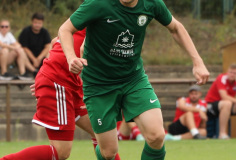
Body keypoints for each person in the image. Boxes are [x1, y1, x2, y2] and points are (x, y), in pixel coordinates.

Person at [58, 0, 210, 159]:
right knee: (109, 153)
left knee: (157, 136)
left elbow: (176, 28)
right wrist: (71, 58)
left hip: (133, 79)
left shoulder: (151, 4)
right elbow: (65, 29)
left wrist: (197, 62)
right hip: (99, 84)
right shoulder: (98, 3)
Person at [0, 29, 121, 160]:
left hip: (70, 83)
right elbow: (89, 54)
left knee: (102, 133)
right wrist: (51, 75)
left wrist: (48, 71)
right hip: (60, 83)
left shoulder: (87, 17)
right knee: (61, 151)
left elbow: (55, 41)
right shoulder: (104, 15)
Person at [205, 64, 236, 139]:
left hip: (225, 106)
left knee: (235, 104)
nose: (232, 75)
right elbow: (224, 97)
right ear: (227, 72)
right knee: (227, 103)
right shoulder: (222, 78)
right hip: (210, 105)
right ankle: (222, 134)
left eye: (235, 73)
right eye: (231, 72)